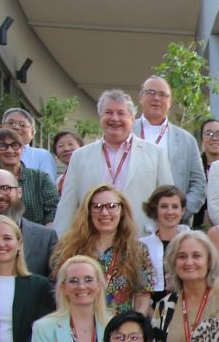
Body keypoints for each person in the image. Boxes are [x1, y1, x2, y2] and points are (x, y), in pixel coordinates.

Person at [52, 90, 173, 234]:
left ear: (132, 119)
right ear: (100, 117)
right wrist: (62, 246)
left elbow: (168, 202)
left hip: (141, 240)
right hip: (92, 241)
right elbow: (67, 206)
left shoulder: (155, 154)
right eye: (108, 112)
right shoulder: (80, 157)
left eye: (121, 113)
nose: (114, 118)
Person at [50, 183, 154, 315]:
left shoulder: (137, 250)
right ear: (87, 212)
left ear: (122, 211)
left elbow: (142, 299)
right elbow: (59, 292)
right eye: (97, 207)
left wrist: (133, 327)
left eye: (112, 206)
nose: (104, 213)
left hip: (118, 330)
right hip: (77, 327)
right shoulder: (69, 247)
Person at [147, 231, 219, 342]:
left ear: (209, 261)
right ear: (174, 263)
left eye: (196, 256)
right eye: (182, 256)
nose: (189, 262)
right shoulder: (165, 307)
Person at [134, 76, 207, 225]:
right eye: (151, 93)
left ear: (170, 101)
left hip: (174, 226)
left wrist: (180, 211)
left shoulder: (186, 140)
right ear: (141, 97)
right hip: (133, 220)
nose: (156, 98)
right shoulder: (126, 133)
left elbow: (199, 183)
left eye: (162, 94)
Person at [0, 128, 57, 224]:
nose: (10, 150)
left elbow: (53, 210)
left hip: (35, 236)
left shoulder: (40, 178)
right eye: (3, 146)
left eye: (15, 145)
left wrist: (45, 235)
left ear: (22, 149)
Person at [139, 185, 190, 295]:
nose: (169, 212)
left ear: (183, 210)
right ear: (155, 210)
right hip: (151, 306)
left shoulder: (193, 242)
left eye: (175, 206)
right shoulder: (142, 245)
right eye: (164, 206)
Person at [0, 106, 57, 181]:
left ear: (32, 133)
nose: (16, 127)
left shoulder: (43, 156)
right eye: (11, 123)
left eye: (22, 124)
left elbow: (49, 187)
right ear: (1, 128)